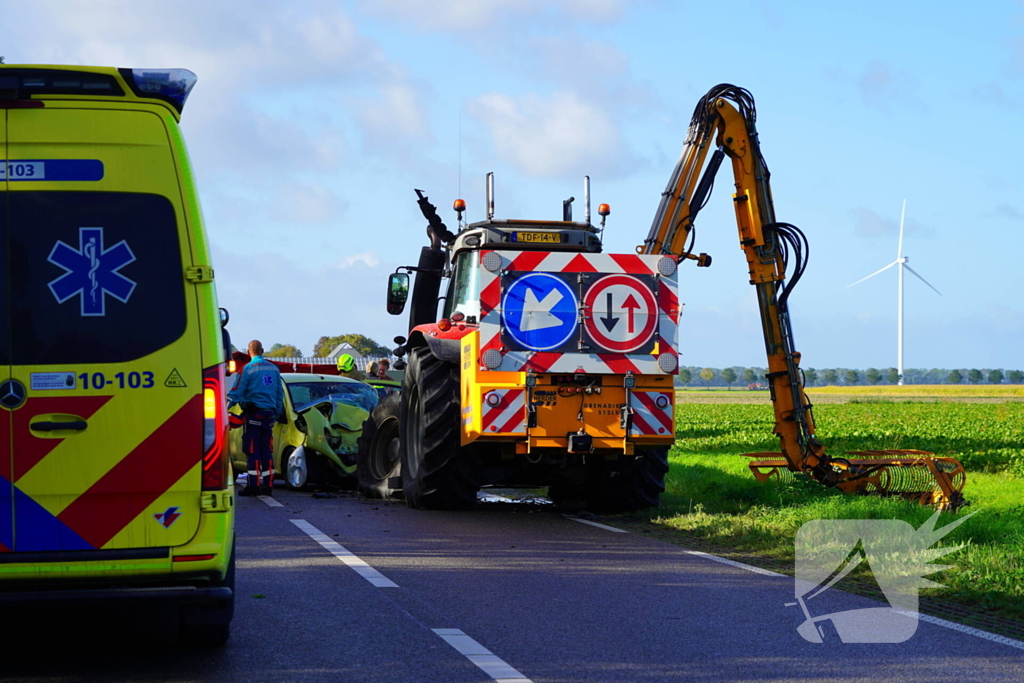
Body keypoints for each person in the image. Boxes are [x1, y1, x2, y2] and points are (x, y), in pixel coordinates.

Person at [227, 340, 284, 497]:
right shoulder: (274, 369)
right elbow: (280, 395)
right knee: (266, 449)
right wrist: (276, 414)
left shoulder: (247, 369)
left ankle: (253, 485)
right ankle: (268, 485)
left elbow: (237, 392)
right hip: (269, 414)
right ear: (263, 350)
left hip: (253, 414)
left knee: (252, 450)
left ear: (248, 352)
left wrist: (224, 407)